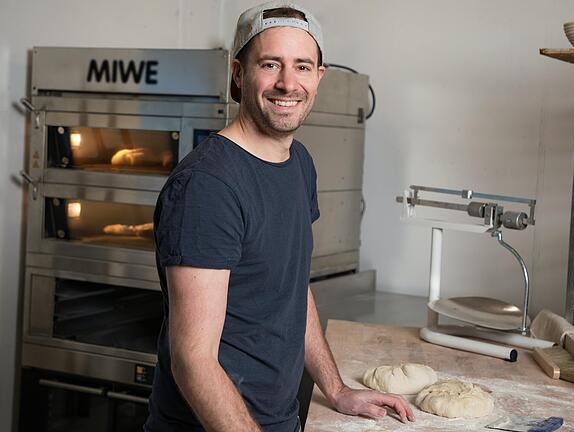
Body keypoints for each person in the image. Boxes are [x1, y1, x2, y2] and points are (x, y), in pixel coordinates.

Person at [144, 2, 415, 431]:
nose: (288, 83)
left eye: (303, 67)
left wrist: (336, 389)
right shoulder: (208, 186)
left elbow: (291, 289)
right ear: (239, 73)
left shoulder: (299, 163)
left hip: (277, 419)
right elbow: (193, 361)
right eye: (271, 64)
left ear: (318, 77)